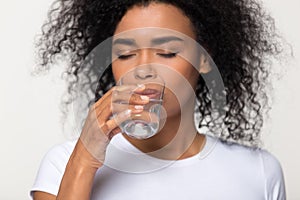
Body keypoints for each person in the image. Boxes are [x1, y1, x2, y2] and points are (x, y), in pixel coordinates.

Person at [30, 0, 286, 199]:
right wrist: (84, 160)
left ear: (204, 58)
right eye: (126, 54)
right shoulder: (65, 164)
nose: (143, 70)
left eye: (167, 52)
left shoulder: (259, 171)